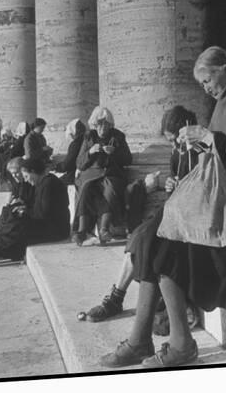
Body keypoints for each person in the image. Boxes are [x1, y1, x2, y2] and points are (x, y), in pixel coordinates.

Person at [100, 46, 226, 369]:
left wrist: (209, 137)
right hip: (211, 198)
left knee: (163, 245)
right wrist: (202, 143)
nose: (206, 88)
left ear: (224, 67)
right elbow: (219, 150)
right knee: (148, 236)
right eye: (202, 84)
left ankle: (179, 343)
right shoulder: (223, 101)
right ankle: (142, 339)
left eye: (207, 80)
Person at [85, 106, 198, 322]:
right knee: (139, 236)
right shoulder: (178, 152)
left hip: (192, 216)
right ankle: (116, 298)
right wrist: (171, 184)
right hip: (176, 209)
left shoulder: (201, 150)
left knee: (146, 239)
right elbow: (176, 182)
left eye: (176, 139)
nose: (174, 145)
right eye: (170, 141)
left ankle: (119, 301)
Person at [0, 157, 70, 268]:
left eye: (26, 176)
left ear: (33, 172)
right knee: (10, 227)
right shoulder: (44, 182)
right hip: (48, 226)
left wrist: (24, 211)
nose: (25, 180)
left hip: (55, 230)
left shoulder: (49, 184)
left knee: (14, 233)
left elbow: (43, 214)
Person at [72, 106, 132, 245]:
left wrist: (115, 152)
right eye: (100, 123)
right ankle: (82, 231)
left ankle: (104, 229)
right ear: (94, 124)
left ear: (111, 125)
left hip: (112, 174)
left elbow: (128, 159)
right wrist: (90, 152)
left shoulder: (118, 136)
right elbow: (80, 163)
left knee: (110, 190)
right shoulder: (88, 137)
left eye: (106, 124)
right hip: (91, 175)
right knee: (86, 189)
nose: (103, 127)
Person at [54, 118, 86, 185]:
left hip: (75, 175)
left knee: (54, 183)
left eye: (71, 134)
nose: (71, 136)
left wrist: (55, 167)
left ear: (75, 132)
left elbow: (68, 164)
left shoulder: (75, 144)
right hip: (85, 172)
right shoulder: (86, 140)